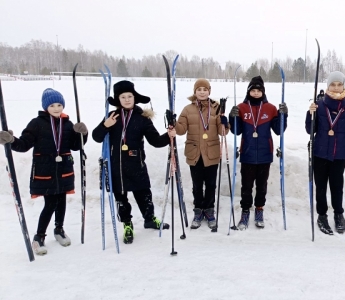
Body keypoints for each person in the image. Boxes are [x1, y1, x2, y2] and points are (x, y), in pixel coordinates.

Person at [0, 88, 88, 255]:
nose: (56, 108)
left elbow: (77, 146)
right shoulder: (37, 124)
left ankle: (59, 230)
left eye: (59, 104)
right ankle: (39, 237)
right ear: (45, 106)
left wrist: (83, 133)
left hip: (63, 170)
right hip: (45, 171)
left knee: (61, 201)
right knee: (51, 203)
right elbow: (24, 145)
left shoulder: (67, 124)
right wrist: (11, 140)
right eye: (53, 105)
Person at [92, 81, 173, 244]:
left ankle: (149, 219)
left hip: (137, 165)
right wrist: (105, 125)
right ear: (118, 99)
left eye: (130, 96)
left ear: (134, 98)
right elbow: (96, 136)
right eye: (123, 97)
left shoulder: (142, 118)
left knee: (144, 195)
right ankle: (127, 225)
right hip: (117, 168)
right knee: (121, 199)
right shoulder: (111, 117)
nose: (127, 99)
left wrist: (169, 135)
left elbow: (156, 141)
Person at [305, 71, 345, 235]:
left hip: (339, 154)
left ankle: (339, 214)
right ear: (327, 86)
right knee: (320, 186)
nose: (336, 88)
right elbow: (310, 129)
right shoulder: (319, 105)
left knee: (337, 187)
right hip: (320, 153)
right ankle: (322, 215)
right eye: (333, 84)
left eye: (339, 84)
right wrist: (310, 114)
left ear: (344, 86)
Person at [229, 75, 288, 230]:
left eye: (258, 90)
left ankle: (259, 209)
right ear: (249, 91)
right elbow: (236, 131)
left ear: (263, 92)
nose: (256, 93)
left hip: (264, 155)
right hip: (247, 154)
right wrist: (232, 117)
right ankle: (245, 211)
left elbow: (278, 130)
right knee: (246, 186)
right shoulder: (242, 108)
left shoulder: (270, 108)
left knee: (262, 186)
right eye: (253, 90)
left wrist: (283, 115)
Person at [170, 78, 227, 230]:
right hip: (194, 153)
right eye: (199, 89)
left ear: (209, 91)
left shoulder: (216, 108)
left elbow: (224, 132)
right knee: (196, 186)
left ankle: (209, 210)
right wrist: (173, 122)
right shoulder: (188, 109)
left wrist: (225, 121)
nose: (202, 92)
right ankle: (198, 211)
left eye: (205, 89)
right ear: (195, 92)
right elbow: (181, 130)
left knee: (210, 185)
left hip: (212, 153)